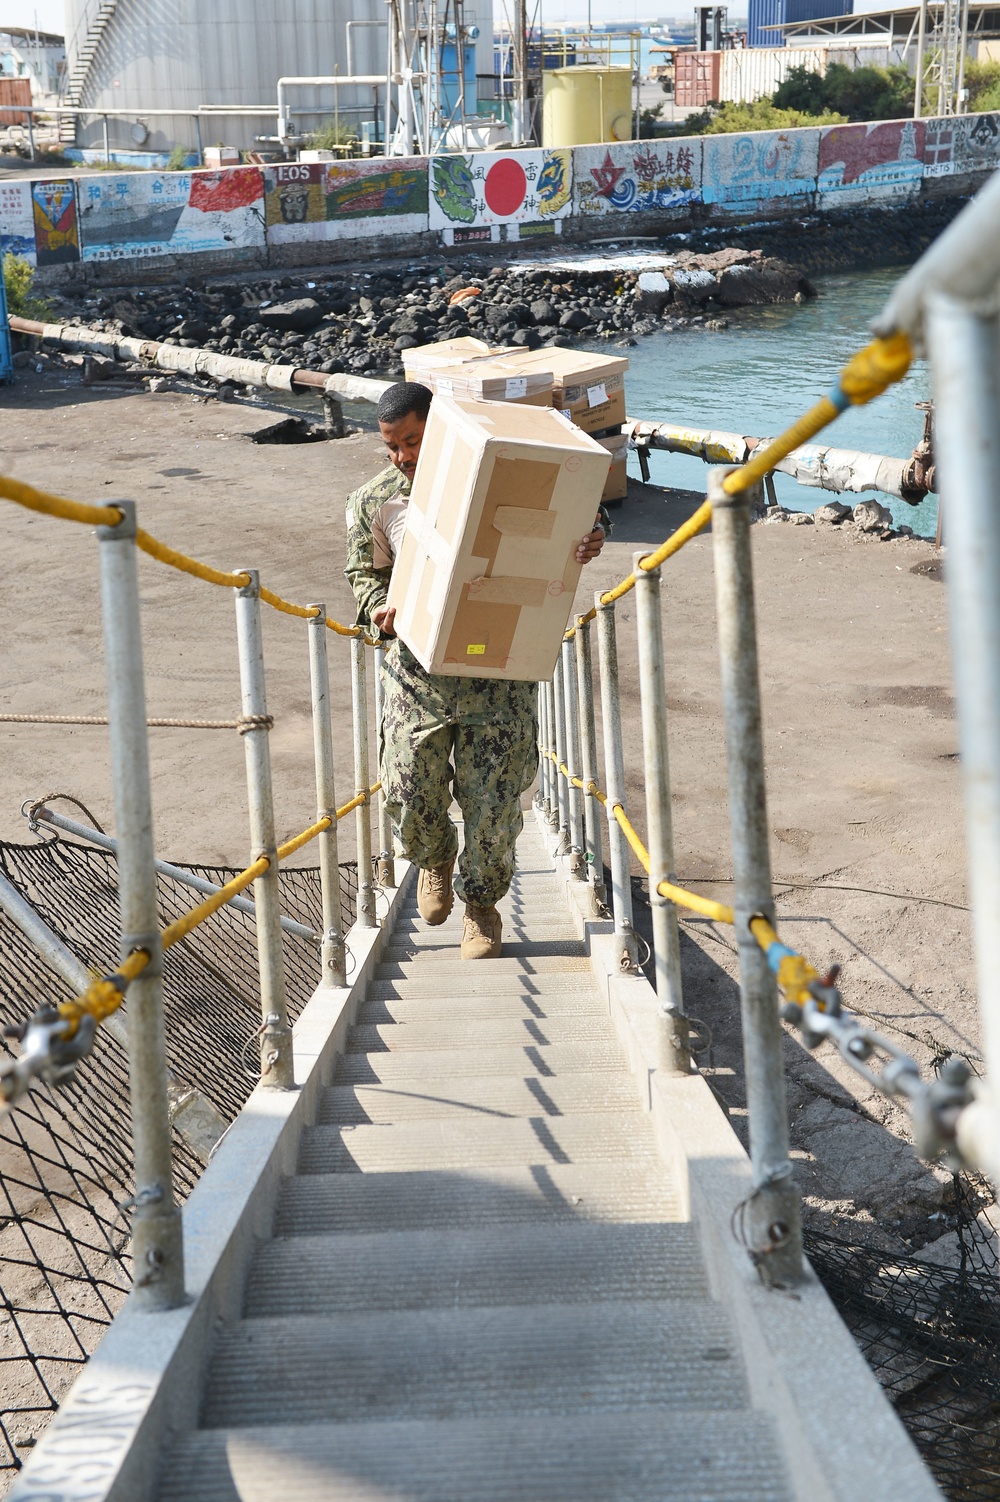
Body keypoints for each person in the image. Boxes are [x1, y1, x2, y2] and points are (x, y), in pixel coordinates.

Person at [345, 381, 607, 960]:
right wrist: (379, 613)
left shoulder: (492, 479)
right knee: (407, 793)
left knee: (494, 803)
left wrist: (592, 534)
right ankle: (434, 856)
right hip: (416, 674)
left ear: (438, 429)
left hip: (500, 671)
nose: (402, 458)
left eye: (412, 442)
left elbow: (576, 502)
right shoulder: (374, 501)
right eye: (391, 447)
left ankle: (482, 907)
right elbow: (363, 581)